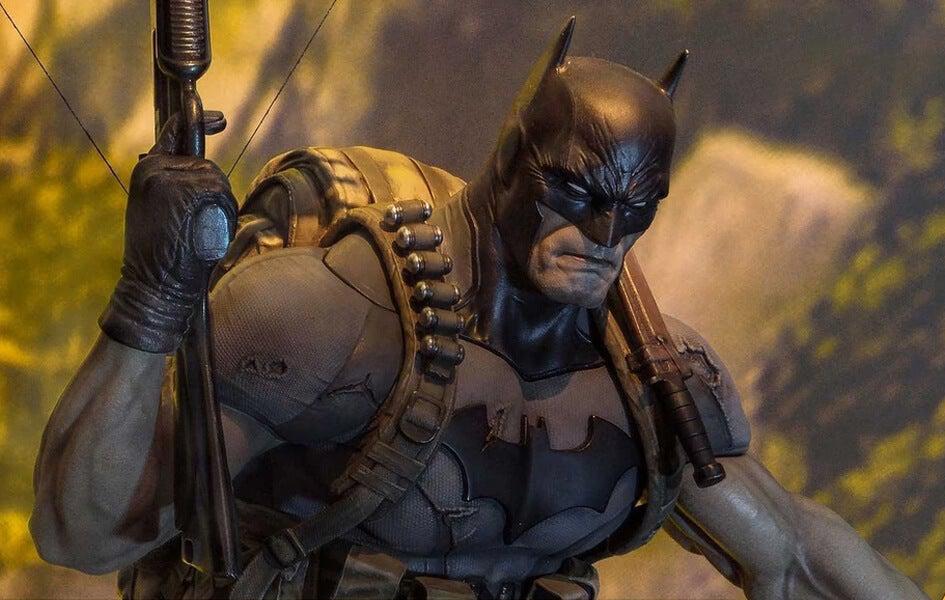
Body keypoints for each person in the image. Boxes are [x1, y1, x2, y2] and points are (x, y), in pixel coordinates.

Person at [29, 19, 928, 600]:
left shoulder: (653, 380)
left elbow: (794, 557)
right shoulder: (329, 318)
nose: (603, 234)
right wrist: (152, 299)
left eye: (633, 208)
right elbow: (86, 532)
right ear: (508, 164)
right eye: (574, 192)